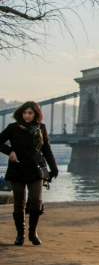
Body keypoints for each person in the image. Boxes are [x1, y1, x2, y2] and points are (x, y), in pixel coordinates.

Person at [0, 101, 58, 246]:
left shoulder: (41, 128)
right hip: (17, 168)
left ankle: (33, 233)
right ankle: (20, 234)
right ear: (21, 114)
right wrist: (10, 151)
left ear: (36, 114)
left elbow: (46, 150)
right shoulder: (13, 128)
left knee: (36, 200)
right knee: (19, 202)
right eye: (25, 113)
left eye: (30, 113)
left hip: (35, 168)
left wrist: (54, 168)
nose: (27, 116)